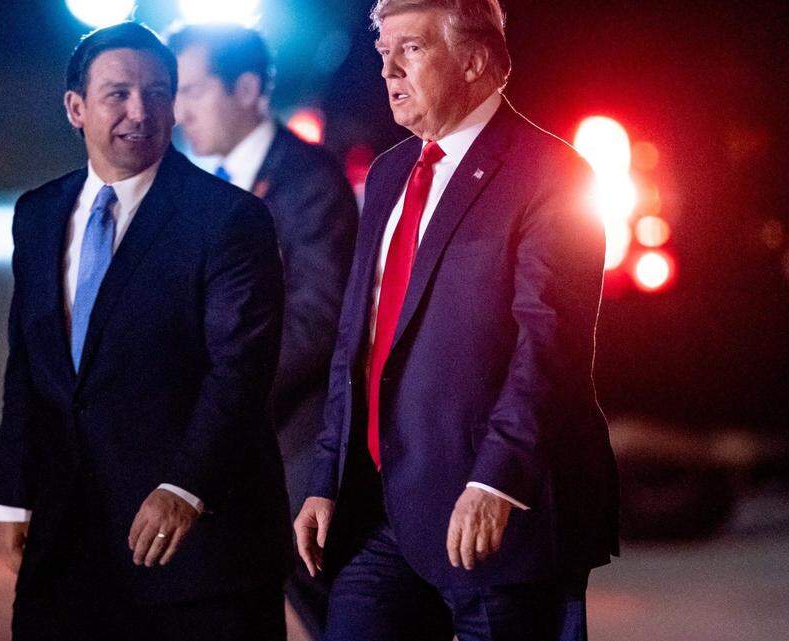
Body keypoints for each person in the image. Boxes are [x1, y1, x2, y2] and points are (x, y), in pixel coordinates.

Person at [293, 1, 620, 640]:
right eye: (383, 51)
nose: (387, 69)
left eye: (410, 50)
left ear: (474, 62)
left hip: (495, 516)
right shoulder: (389, 174)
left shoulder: (552, 175)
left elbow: (547, 346)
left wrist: (498, 479)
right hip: (384, 513)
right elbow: (356, 338)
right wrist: (327, 476)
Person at [0, 22, 291, 641]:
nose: (141, 111)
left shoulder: (228, 218)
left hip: (196, 557)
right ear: (75, 108)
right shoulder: (39, 215)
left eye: (158, 92)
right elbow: (28, 363)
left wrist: (186, 484)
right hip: (69, 542)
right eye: (118, 93)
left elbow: (239, 369)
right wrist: (13, 495)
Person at [169, 23, 359, 638]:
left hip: (295, 444)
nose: (178, 110)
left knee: (332, 606)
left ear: (248, 88)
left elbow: (318, 317)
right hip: (225, 446)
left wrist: (226, 403)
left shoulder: (309, 180)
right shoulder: (193, 190)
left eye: (193, 90)